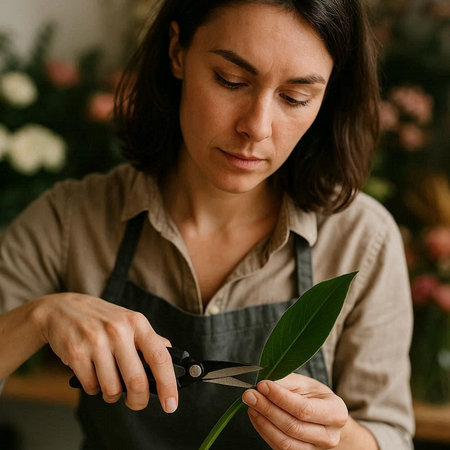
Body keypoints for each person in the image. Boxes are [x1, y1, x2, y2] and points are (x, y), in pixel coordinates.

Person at [0, 0, 414, 448]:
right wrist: (37, 318)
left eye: (296, 98)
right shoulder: (70, 221)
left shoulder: (362, 240)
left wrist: (340, 437)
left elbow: (390, 435)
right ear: (178, 51)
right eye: (231, 80)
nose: (256, 127)